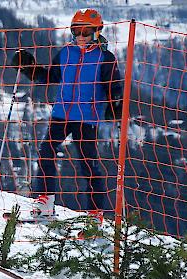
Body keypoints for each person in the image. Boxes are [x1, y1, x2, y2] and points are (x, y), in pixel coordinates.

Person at [12, 8, 123, 220]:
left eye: (86, 32)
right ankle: (45, 203)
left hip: (87, 117)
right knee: (46, 151)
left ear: (97, 32)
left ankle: (94, 214)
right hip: (61, 113)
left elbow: (113, 86)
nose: (81, 37)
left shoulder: (105, 58)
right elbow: (51, 76)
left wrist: (115, 104)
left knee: (87, 163)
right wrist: (29, 68)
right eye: (76, 31)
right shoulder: (65, 53)